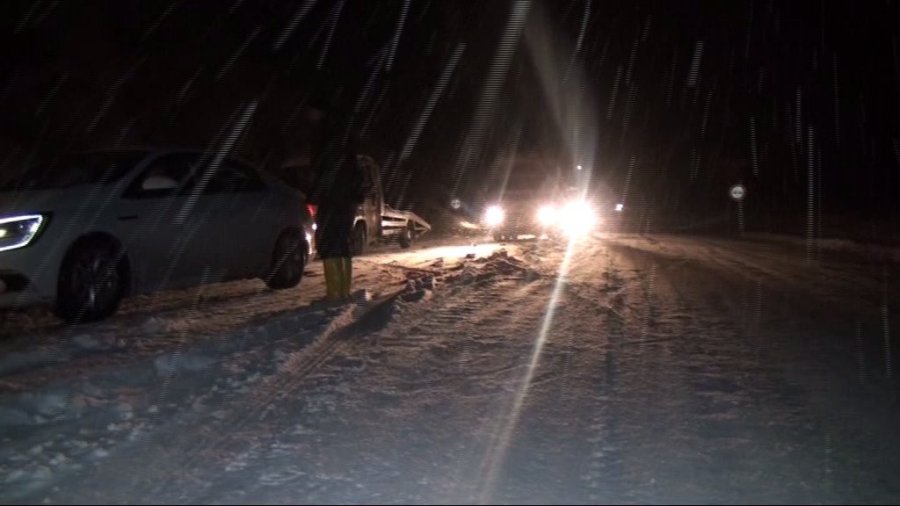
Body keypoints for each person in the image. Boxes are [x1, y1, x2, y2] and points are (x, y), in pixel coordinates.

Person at [307, 108, 367, 303]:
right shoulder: (350, 154)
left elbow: (321, 176)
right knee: (341, 244)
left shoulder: (327, 148)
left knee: (330, 243)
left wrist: (314, 196)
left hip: (332, 202)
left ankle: (335, 293)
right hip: (346, 203)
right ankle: (343, 291)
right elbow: (358, 181)